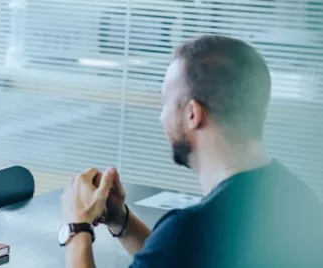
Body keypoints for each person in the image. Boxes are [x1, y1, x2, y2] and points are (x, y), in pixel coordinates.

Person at [60, 35, 323, 267]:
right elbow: (181, 257)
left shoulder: (191, 229)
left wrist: (77, 226)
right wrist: (121, 220)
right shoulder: (299, 200)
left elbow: (183, 245)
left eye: (165, 102)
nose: (160, 117)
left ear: (193, 114)